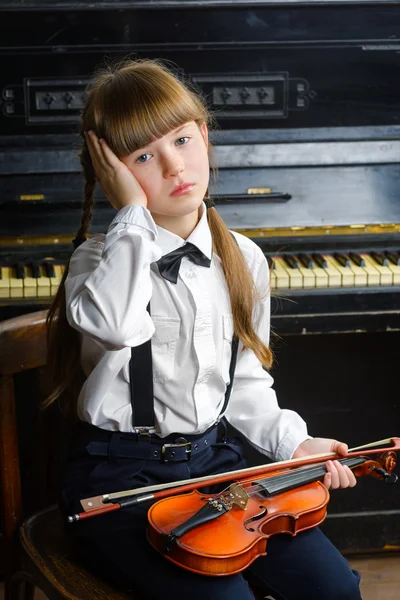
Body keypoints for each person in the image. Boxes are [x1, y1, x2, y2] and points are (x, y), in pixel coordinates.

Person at [46, 58, 362, 600]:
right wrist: (131, 216)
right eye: (144, 156)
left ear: (205, 137)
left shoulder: (243, 257)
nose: (174, 167)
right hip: (122, 478)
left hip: (217, 468)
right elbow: (116, 326)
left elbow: (243, 384)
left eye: (183, 140)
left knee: (334, 589)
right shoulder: (97, 264)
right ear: (113, 173)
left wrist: (296, 443)